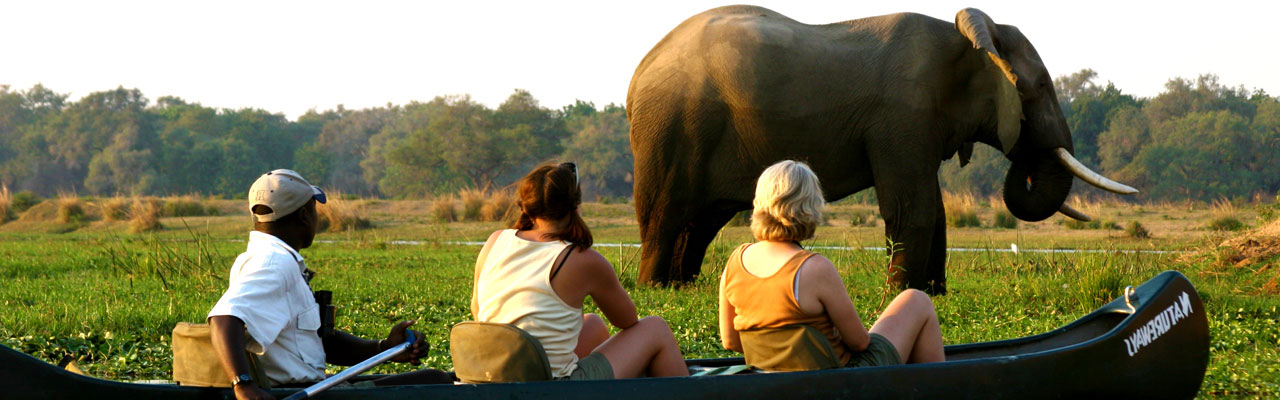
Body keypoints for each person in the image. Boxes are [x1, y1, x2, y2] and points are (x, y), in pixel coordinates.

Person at [208, 169, 450, 400]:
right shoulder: (273, 264)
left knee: (435, 378)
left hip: (312, 384)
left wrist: (385, 347)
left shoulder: (261, 257)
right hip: (300, 391)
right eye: (314, 210)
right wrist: (242, 385)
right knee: (437, 379)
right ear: (304, 215)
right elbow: (224, 318)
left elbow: (319, 341)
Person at [718, 160, 945, 369]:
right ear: (810, 207)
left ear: (759, 204)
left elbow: (730, 340)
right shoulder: (814, 268)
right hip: (840, 382)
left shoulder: (735, 262)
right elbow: (858, 343)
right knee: (917, 300)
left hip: (770, 378)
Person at [470, 162, 688, 380]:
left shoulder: (496, 240)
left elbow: (477, 310)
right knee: (655, 328)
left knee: (593, 324)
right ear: (575, 205)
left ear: (526, 206)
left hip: (493, 375)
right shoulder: (582, 259)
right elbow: (627, 320)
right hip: (550, 387)